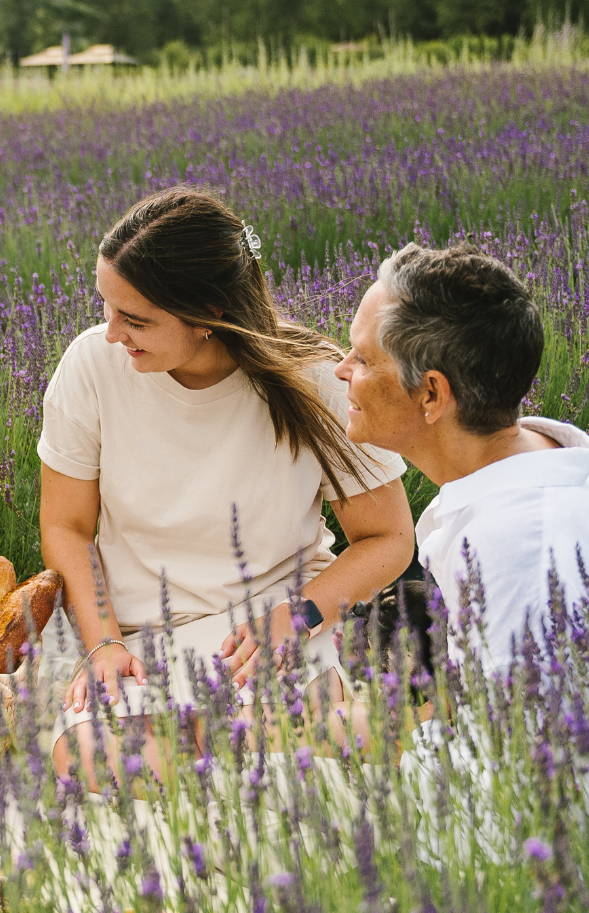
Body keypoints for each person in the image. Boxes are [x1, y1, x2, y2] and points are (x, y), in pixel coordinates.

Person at [41, 186, 416, 789]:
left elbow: (389, 537)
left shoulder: (318, 376)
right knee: (92, 758)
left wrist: (295, 619)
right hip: (144, 640)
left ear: (209, 317)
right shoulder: (91, 367)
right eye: (106, 308)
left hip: (278, 628)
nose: (111, 333)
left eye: (134, 319)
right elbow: (67, 526)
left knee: (264, 736)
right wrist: (104, 643)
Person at [334, 241, 589, 675]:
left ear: (431, 394)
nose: (342, 369)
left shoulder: (510, 545)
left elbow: (503, 737)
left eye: (362, 358)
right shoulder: (556, 464)